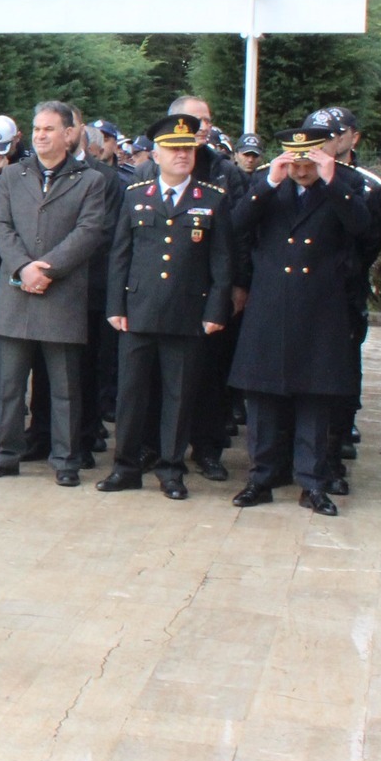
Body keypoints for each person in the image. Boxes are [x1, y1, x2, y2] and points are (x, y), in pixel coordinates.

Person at [228, 120, 376, 516]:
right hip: (270, 305)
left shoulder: (344, 183)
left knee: (315, 398)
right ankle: (260, 477)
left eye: (309, 158)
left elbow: (363, 227)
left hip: (320, 307)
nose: (301, 167)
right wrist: (268, 185)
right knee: (261, 397)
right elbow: (236, 225)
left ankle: (312, 482)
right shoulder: (267, 183)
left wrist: (331, 183)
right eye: (295, 159)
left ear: (324, 153)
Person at [97, 114, 235, 501]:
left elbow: (222, 263)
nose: (182, 155)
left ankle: (172, 470)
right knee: (131, 393)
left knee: (179, 394)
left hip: (187, 312)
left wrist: (215, 312)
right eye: (173, 149)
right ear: (155, 154)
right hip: (138, 311)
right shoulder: (135, 195)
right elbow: (120, 256)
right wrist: (116, 306)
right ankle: (125, 466)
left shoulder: (211, 199)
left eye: (188, 149)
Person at [0, 102, 113, 487]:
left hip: (62, 293)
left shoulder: (90, 181)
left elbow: (89, 232)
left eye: (49, 129)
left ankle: (66, 459)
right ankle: (5, 454)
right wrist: (23, 268)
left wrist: (46, 269)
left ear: (69, 134)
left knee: (65, 387)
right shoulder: (13, 176)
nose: (40, 135)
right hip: (17, 293)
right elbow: (1, 227)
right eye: (36, 129)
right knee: (10, 385)